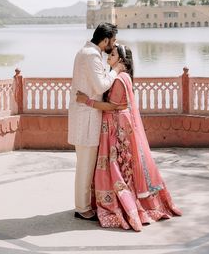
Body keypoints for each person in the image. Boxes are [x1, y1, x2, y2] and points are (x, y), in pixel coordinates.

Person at [76, 44, 182, 231]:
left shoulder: (119, 79)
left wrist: (87, 101)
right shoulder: (120, 77)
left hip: (116, 126)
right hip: (118, 124)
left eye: (113, 54)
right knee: (121, 166)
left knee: (117, 165)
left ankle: (122, 205)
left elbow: (112, 106)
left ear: (122, 60)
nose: (109, 55)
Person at [68, 22, 125, 221]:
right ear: (106, 40)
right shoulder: (91, 56)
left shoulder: (85, 52)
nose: (114, 44)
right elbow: (101, 86)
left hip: (83, 116)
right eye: (114, 40)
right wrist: (116, 70)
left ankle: (82, 204)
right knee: (85, 165)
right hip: (87, 118)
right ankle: (82, 208)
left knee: (84, 164)